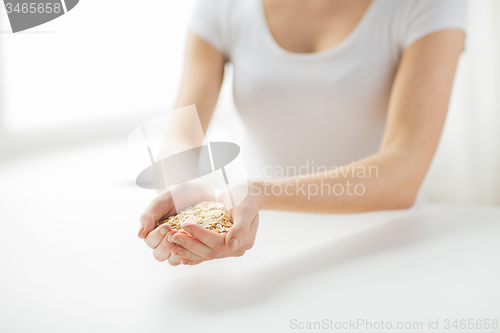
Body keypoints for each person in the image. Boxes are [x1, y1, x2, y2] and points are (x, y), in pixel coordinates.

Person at [137, 0, 467, 266]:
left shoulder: (426, 5)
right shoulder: (223, 6)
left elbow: (406, 168)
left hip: (387, 247)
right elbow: (182, 134)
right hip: (268, 248)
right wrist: (180, 193)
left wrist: (263, 193)